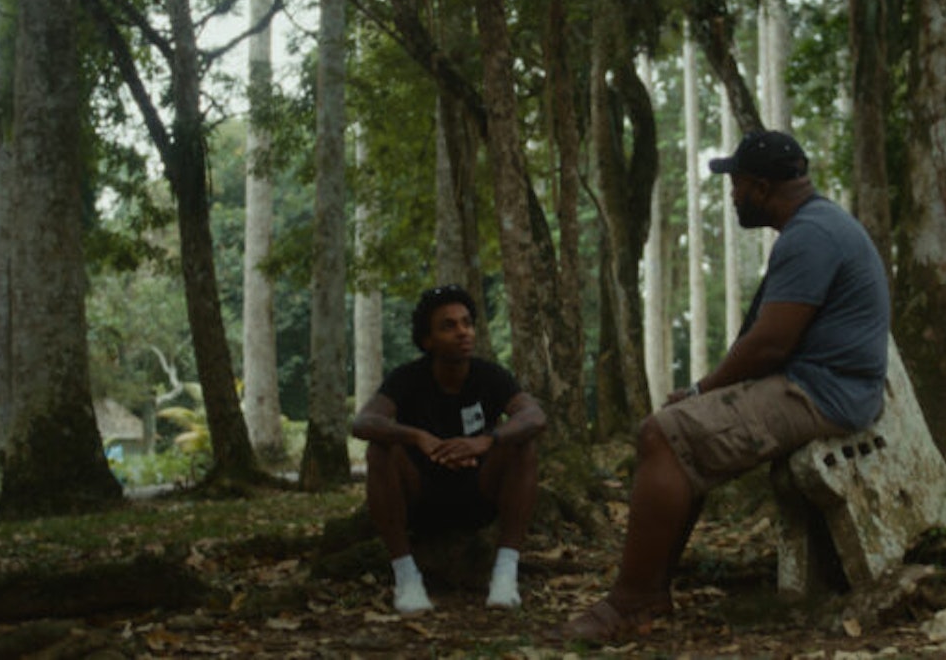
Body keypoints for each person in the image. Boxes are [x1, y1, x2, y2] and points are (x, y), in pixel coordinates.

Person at [559, 130, 891, 640]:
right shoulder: (816, 226)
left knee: (663, 435)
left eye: (735, 185)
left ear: (760, 187)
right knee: (673, 434)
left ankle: (630, 602)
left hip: (822, 393)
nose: (732, 196)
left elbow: (770, 345)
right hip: (826, 385)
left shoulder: (811, 236)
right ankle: (650, 590)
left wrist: (701, 391)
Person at [351, 284, 546, 614]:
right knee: (379, 451)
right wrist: (417, 437)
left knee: (522, 447)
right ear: (427, 341)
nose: (462, 332)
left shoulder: (490, 376)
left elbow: (534, 415)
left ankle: (504, 575)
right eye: (449, 325)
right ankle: (407, 578)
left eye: (467, 323)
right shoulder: (407, 378)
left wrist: (487, 440)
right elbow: (363, 422)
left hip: (478, 493)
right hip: (421, 499)